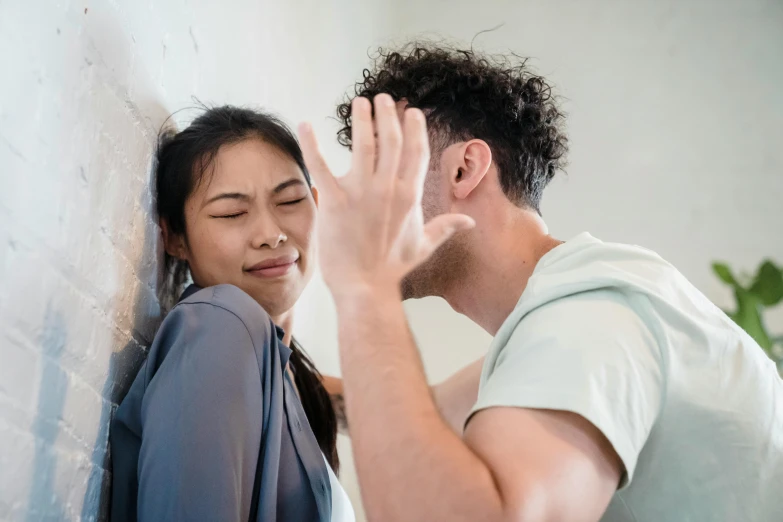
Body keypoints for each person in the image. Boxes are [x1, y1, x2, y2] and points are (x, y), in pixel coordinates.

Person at [297, 43, 783, 521]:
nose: (358, 194)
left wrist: (365, 289)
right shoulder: (580, 308)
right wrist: (271, 363)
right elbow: (427, 412)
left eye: (380, 166)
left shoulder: (591, 320)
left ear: (465, 169)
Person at [110, 106, 355, 522]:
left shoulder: (287, 372)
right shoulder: (220, 325)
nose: (271, 233)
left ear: (316, 203)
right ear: (174, 237)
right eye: (231, 213)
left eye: (291, 200)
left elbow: (429, 417)